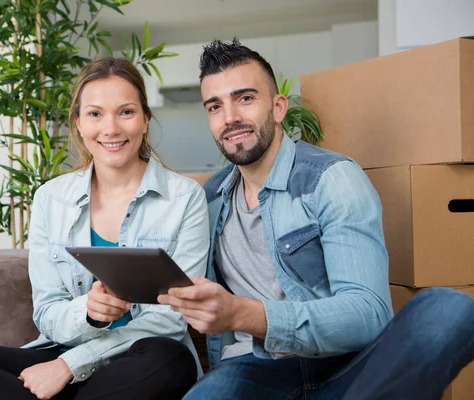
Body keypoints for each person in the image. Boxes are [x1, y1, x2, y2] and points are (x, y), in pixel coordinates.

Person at [158, 38, 474, 400]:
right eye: (215, 106)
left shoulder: (332, 178)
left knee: (448, 309)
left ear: (278, 107)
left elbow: (368, 314)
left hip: (346, 368)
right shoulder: (209, 198)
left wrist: (245, 315)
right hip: (252, 371)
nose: (230, 117)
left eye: (245, 98)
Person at [0, 57, 209, 400]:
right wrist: (89, 314)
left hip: (140, 359)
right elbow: (48, 312)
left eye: (125, 112)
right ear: (79, 123)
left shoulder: (184, 197)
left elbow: (171, 319)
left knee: (170, 359)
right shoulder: (50, 199)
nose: (110, 128)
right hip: (64, 348)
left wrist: (68, 367)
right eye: (95, 114)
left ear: (145, 120)